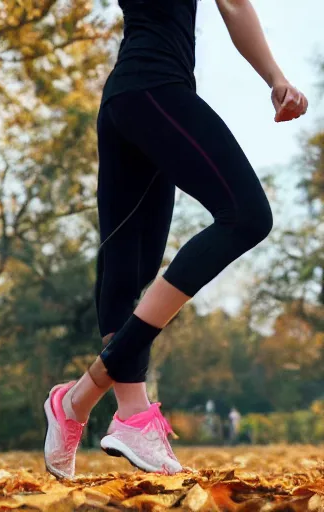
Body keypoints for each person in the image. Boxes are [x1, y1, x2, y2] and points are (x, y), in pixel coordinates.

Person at [43, 0, 308, 480]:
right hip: (154, 87)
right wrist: (274, 77)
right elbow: (233, 4)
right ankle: (88, 401)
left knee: (131, 267)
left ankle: (116, 412)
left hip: (129, 97)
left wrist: (275, 78)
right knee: (246, 214)